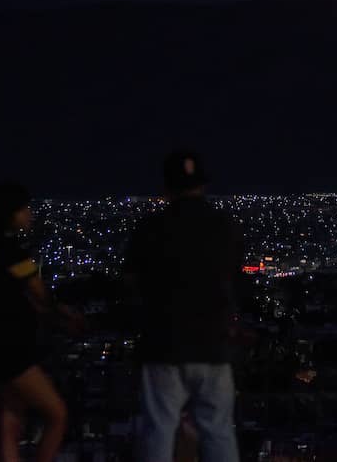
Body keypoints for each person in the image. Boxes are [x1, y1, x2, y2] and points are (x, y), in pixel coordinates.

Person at [125, 151, 243, 462]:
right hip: (213, 344)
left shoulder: (151, 228)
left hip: (164, 343)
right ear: (202, 185)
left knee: (159, 430)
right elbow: (237, 281)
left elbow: (133, 284)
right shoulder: (223, 226)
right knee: (218, 431)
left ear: (166, 188)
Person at [0, 182, 82, 462]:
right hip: (13, 346)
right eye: (24, 210)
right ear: (11, 214)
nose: (29, 215)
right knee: (57, 414)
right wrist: (63, 314)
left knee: (11, 418)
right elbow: (38, 292)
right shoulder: (12, 252)